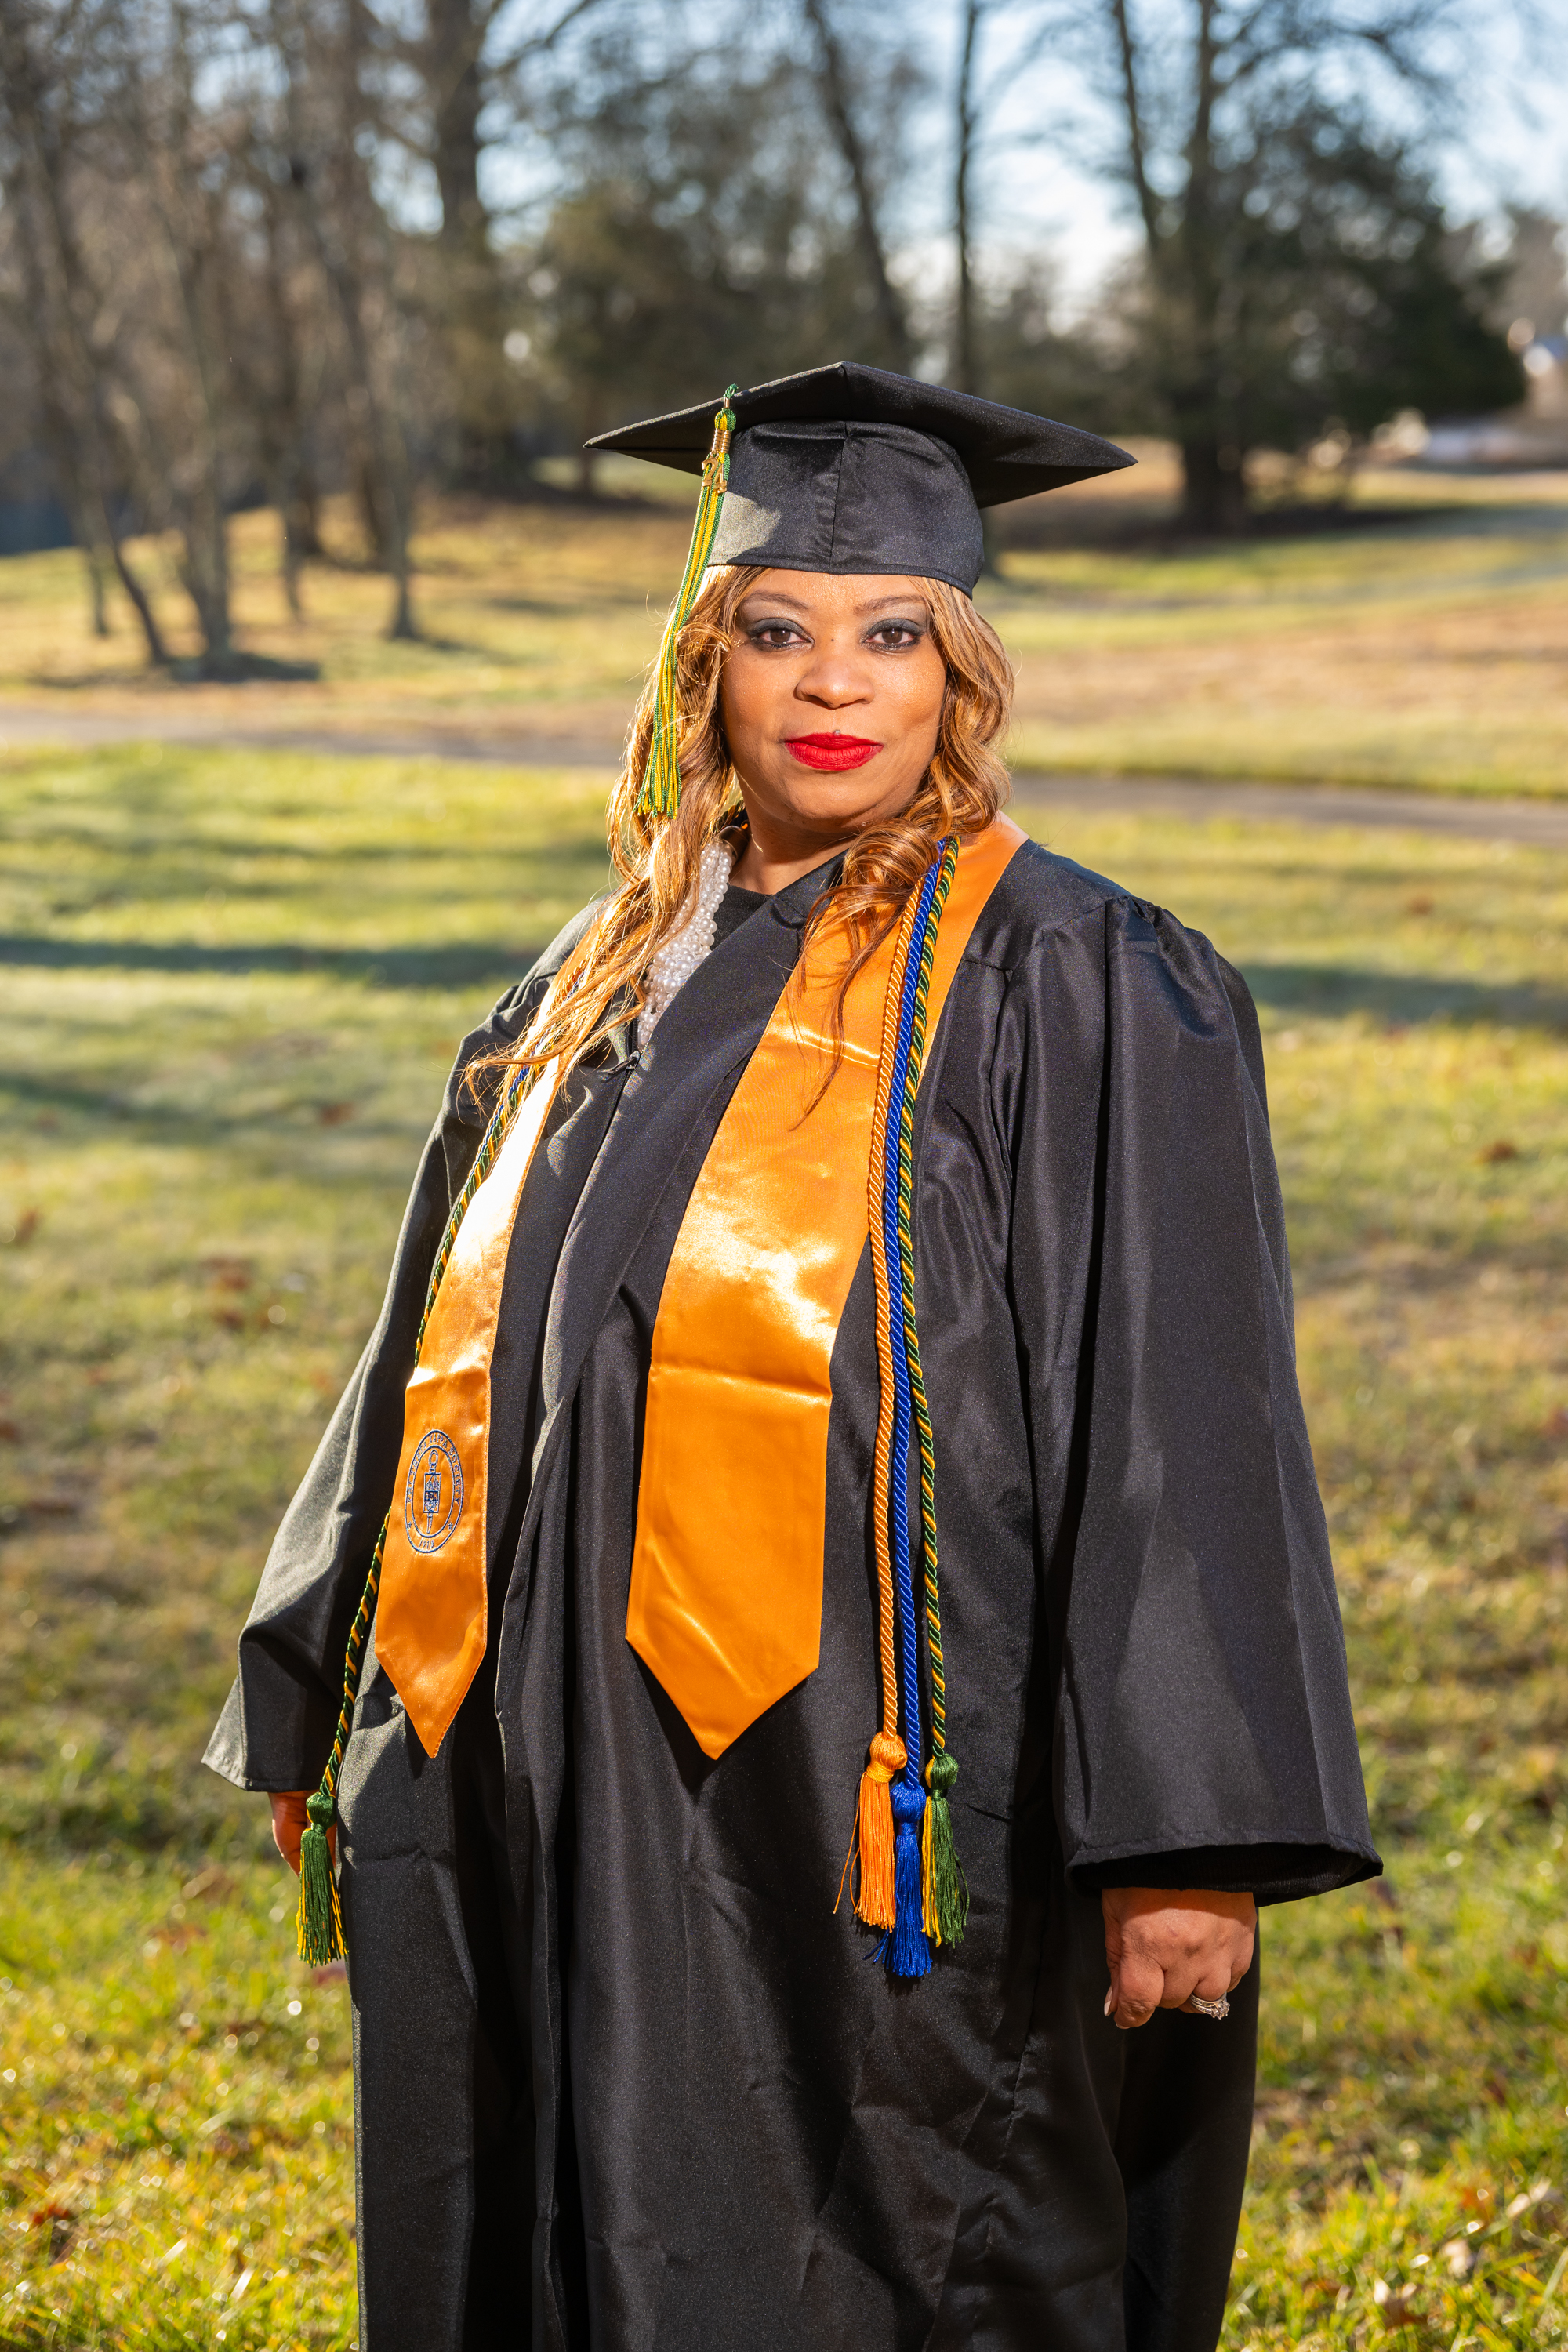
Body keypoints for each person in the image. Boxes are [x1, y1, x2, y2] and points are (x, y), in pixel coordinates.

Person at [206, 362, 1378, 2352]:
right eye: (776, 629)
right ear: (702, 665)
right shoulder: (580, 985)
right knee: (542, 2215)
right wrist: (330, 1691)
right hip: (531, 1759)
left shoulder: (1083, 983)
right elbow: (427, 1352)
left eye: (892, 633)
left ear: (960, 669)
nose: (835, 683)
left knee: (878, 2239)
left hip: (874, 1795)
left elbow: (1184, 1413)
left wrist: (1193, 1835)